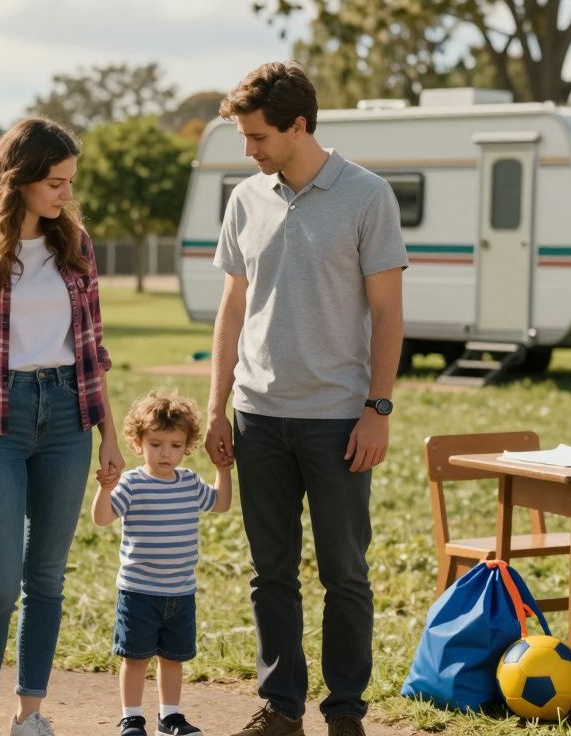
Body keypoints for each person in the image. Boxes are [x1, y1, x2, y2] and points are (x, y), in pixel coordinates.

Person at [203, 62, 407, 736]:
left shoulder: (367, 196)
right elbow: (231, 312)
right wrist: (216, 407)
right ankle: (282, 708)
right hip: (257, 417)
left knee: (345, 572)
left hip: (338, 423)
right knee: (271, 573)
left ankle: (345, 710)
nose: (249, 151)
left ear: (298, 125)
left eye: (258, 137)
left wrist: (377, 409)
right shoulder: (246, 199)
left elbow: (387, 313)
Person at [0, 117, 124, 736]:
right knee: (0, 581)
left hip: (66, 415)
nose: (67, 194)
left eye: (70, 182)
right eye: (56, 182)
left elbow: (93, 348)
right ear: (20, 179)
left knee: (46, 579)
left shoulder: (76, 246)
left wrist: (109, 434)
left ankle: (30, 713)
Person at [91, 390, 232, 736]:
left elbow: (221, 504)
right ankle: (132, 718)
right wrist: (105, 489)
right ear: (138, 444)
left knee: (173, 659)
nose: (165, 453)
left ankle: (169, 717)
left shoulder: (190, 483)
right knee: (135, 658)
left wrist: (222, 470)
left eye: (174, 445)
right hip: (138, 591)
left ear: (187, 446)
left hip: (180, 592)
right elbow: (102, 518)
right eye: (155, 444)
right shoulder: (133, 483)